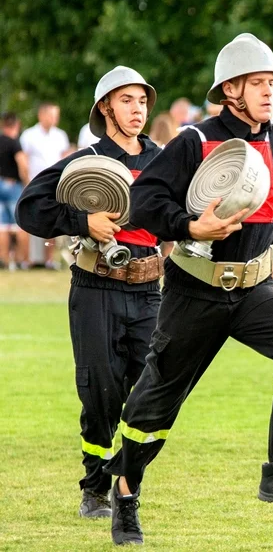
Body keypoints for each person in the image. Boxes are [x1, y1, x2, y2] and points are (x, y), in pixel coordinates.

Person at [103, 34, 273, 546]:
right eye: (258, 83)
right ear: (230, 89)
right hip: (194, 294)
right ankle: (125, 488)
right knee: (157, 407)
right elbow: (141, 204)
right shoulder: (192, 141)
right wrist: (189, 227)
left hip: (253, 291)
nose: (269, 91)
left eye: (272, 82)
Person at [15, 66, 164, 518]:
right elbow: (29, 208)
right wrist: (83, 222)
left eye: (141, 101)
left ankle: (124, 478)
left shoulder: (164, 160)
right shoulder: (86, 159)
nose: (136, 109)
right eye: (126, 100)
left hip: (150, 291)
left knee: (154, 390)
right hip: (94, 287)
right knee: (100, 392)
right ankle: (96, 490)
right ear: (105, 108)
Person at [20, 102, 70, 269]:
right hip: (34, 182)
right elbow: (24, 159)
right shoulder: (29, 135)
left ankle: (49, 260)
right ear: (42, 115)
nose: (55, 119)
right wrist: (26, 181)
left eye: (56, 116)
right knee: (30, 218)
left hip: (55, 184)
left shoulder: (60, 135)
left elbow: (64, 158)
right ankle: (28, 260)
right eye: (52, 115)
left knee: (52, 219)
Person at [0, 112, 30, 269]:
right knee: (20, 225)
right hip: (13, 186)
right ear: (16, 125)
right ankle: (22, 261)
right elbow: (22, 164)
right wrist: (26, 183)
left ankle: (4, 260)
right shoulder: (14, 143)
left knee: (3, 226)